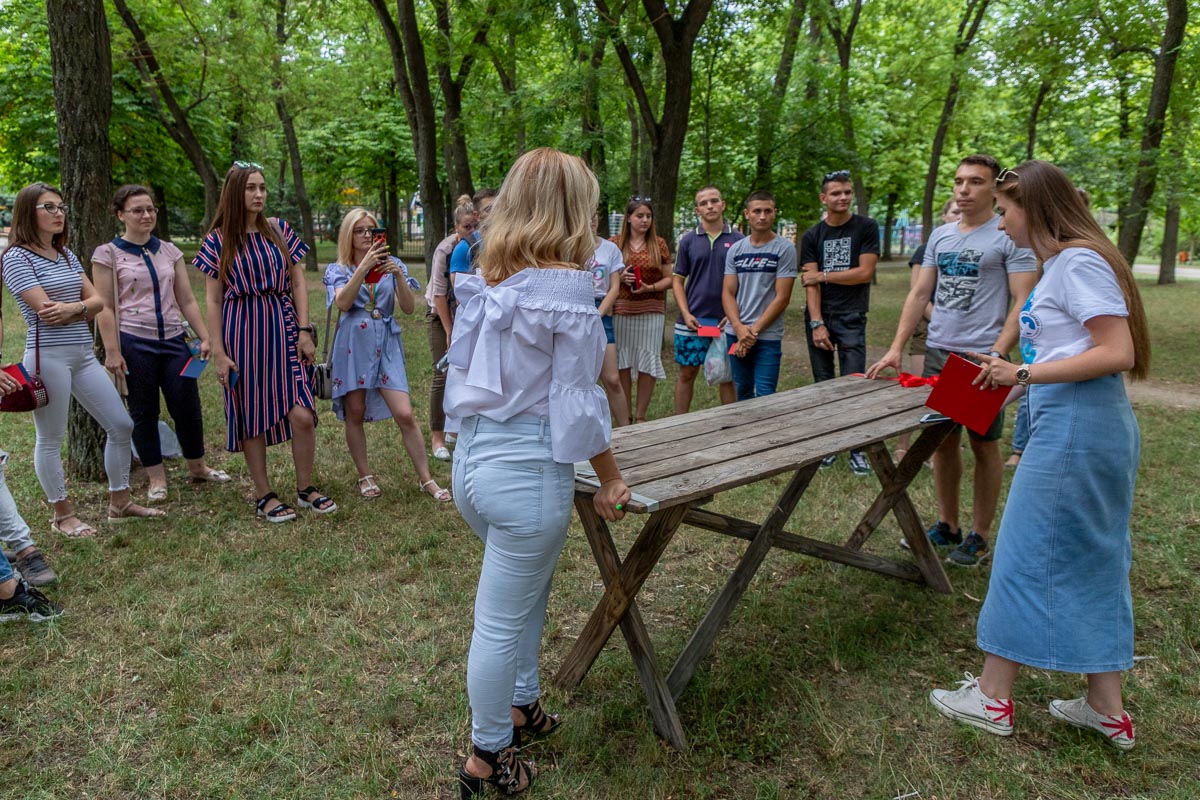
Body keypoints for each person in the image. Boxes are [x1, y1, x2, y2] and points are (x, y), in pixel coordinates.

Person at [928, 160, 1150, 751]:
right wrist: (1003, 382)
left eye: (1005, 212)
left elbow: (1118, 351)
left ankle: (992, 698)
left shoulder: (1077, 262)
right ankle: (1106, 709)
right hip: (1079, 420)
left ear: (1036, 209)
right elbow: (1064, 353)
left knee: (1025, 552)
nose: (1001, 225)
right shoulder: (1067, 264)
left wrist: (1021, 372)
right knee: (1095, 558)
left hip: (1077, 427)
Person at [446, 148, 629, 797]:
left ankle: (523, 703)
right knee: (499, 621)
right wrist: (611, 477)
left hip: (473, 464)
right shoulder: (568, 290)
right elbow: (578, 398)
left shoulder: (494, 281)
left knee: (525, 594)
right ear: (575, 210)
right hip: (526, 471)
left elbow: (464, 379)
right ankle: (488, 754)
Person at [867, 154, 1038, 567]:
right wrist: (896, 346)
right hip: (939, 351)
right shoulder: (941, 236)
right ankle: (948, 525)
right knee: (941, 442)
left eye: (975, 181)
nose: (964, 189)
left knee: (983, 443)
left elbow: (1023, 300)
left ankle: (979, 535)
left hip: (981, 355)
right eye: (959, 181)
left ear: (995, 189)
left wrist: (997, 352)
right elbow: (919, 294)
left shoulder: (1007, 234)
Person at [1, 182, 164, 536]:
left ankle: (119, 503)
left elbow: (98, 302)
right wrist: (82, 307)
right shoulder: (16, 258)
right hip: (48, 358)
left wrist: (75, 308)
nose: (59, 213)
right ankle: (62, 515)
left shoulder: (66, 254)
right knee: (50, 438)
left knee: (121, 425)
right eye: (49, 207)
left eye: (61, 207)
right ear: (28, 212)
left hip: (83, 355)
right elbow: (47, 312)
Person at [193, 162, 336, 522]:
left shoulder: (279, 230)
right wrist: (219, 351)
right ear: (235, 193)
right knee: (251, 414)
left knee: (302, 414)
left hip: (284, 327)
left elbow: (298, 282)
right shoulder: (218, 240)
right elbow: (213, 300)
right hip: (242, 333)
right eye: (250, 188)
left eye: (262, 187)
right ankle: (264, 494)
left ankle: (305, 488)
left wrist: (304, 330)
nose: (258, 194)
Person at [91, 184, 230, 502]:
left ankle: (198, 467)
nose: (146, 215)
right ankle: (156, 478)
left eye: (150, 209)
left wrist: (205, 337)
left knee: (187, 405)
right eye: (137, 210)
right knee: (144, 411)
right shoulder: (107, 254)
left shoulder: (169, 251)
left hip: (174, 340)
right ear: (120, 215)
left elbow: (187, 299)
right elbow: (105, 307)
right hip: (134, 342)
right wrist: (113, 351)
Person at [324, 208, 448, 502]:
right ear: (348, 236)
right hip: (354, 343)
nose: (367, 235)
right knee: (355, 411)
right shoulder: (339, 269)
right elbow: (343, 303)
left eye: (371, 230)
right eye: (359, 231)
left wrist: (398, 276)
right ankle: (364, 475)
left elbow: (408, 308)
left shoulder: (393, 265)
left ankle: (426, 479)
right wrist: (363, 268)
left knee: (405, 413)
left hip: (386, 341)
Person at [800, 170, 880, 476]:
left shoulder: (866, 227)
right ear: (824, 198)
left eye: (847, 192)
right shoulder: (812, 236)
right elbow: (809, 284)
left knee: (853, 383)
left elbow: (864, 273)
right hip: (820, 316)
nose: (843, 197)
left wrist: (823, 275)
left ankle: (856, 448)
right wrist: (816, 323)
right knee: (823, 383)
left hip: (852, 316)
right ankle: (829, 444)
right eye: (836, 193)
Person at [895, 198, 960, 463]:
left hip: (960, 332)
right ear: (944, 216)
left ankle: (935, 448)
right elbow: (918, 292)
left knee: (949, 396)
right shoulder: (928, 248)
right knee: (918, 389)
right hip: (928, 325)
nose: (958, 216)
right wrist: (939, 320)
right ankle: (903, 446)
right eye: (954, 212)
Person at [672, 186, 742, 414]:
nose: (709, 206)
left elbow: (744, 282)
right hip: (694, 322)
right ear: (697, 210)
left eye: (714, 201)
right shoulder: (688, 241)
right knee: (687, 373)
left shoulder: (739, 240)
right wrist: (686, 313)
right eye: (703, 203)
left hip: (726, 322)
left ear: (723, 205)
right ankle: (679, 424)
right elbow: (677, 281)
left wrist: (733, 315)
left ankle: (732, 425)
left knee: (728, 376)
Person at [721, 191, 797, 399]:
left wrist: (752, 333)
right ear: (747, 214)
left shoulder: (785, 249)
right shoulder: (735, 250)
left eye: (767, 211)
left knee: (766, 394)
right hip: (736, 333)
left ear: (774, 213)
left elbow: (782, 298)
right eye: (757, 211)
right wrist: (738, 328)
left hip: (767, 336)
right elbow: (728, 292)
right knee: (742, 388)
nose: (762, 216)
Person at [425, 196, 477, 460]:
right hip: (440, 315)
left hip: (465, 316)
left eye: (475, 226)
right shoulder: (446, 250)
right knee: (442, 373)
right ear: (456, 227)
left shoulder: (479, 246)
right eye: (467, 227)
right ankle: (437, 437)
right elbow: (438, 295)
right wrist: (449, 332)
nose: (472, 231)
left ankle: (455, 429)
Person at [612, 196, 671, 423]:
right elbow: (602, 276)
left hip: (652, 311)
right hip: (622, 309)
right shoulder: (615, 243)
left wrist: (650, 287)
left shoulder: (659, 244)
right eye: (639, 216)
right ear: (628, 218)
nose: (645, 220)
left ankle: (640, 416)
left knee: (648, 361)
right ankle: (626, 414)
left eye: (648, 216)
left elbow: (670, 279)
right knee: (623, 362)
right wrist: (620, 277)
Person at [588, 213, 631, 426]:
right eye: (586, 215)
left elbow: (615, 287)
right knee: (582, 380)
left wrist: (599, 313)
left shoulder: (610, 249)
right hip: (576, 307)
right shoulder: (567, 245)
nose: (591, 220)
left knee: (612, 379)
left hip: (601, 311)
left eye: (594, 215)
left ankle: (627, 429)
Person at [449, 188, 497, 283]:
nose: (495, 213)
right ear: (477, 216)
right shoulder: (464, 248)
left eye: (498, 208)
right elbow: (459, 290)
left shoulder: (508, 242)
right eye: (489, 209)